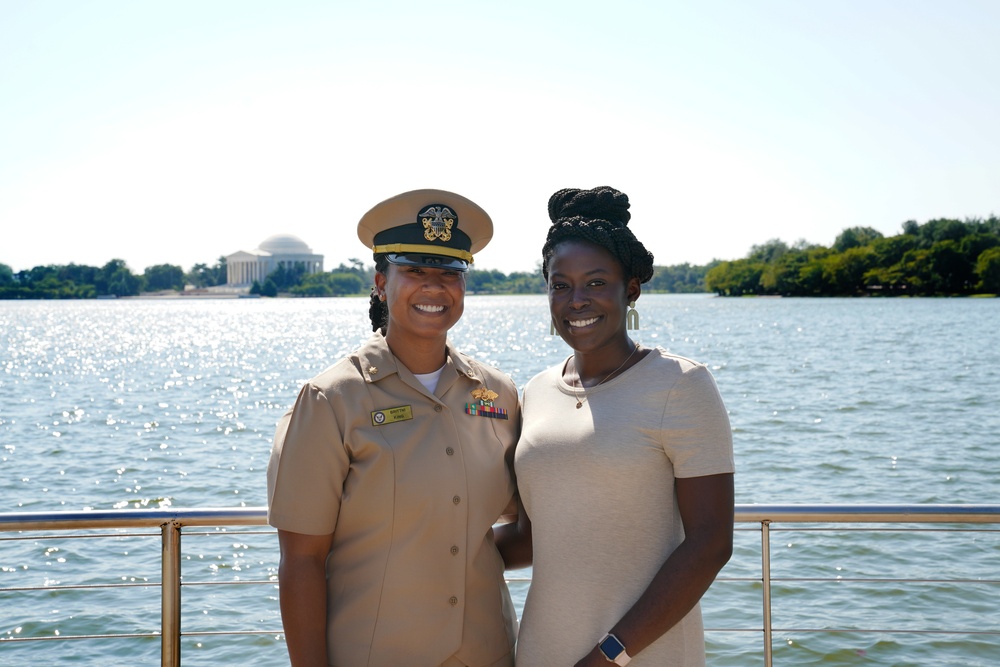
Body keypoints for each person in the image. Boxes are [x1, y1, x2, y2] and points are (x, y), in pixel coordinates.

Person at [267, 189, 520, 667]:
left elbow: (526, 523)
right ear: (382, 282)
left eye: (450, 272)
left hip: (489, 652)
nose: (434, 287)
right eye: (415, 271)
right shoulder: (331, 401)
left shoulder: (497, 394)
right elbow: (301, 563)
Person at [513, 186, 735, 667]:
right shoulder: (535, 393)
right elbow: (532, 535)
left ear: (629, 289)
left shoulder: (681, 385)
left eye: (595, 283)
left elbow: (711, 542)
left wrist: (609, 655)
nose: (576, 300)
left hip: (639, 657)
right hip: (539, 652)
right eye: (560, 284)